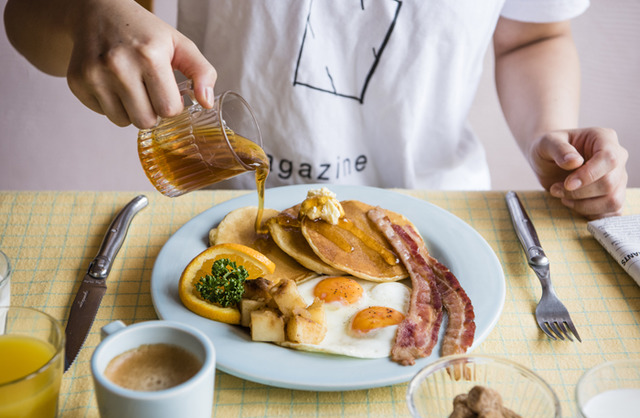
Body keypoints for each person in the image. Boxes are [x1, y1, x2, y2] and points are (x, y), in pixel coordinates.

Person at [4, 0, 628, 219]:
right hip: (219, 214)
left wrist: (554, 137)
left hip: (435, 214)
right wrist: (86, 9)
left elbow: (532, 35)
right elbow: (29, 21)